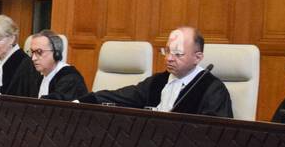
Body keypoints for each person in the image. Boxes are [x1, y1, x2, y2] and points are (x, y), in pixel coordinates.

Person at [78, 26, 232, 117]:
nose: (169, 59)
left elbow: (216, 135)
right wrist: (86, 100)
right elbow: (125, 96)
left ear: (198, 57)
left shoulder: (212, 89)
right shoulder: (158, 81)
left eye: (177, 54)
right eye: (167, 51)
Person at [28, 31, 87, 101]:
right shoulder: (38, 75)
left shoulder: (70, 78)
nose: (33, 58)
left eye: (39, 52)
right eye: (32, 52)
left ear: (56, 54)